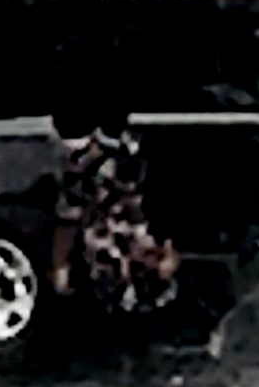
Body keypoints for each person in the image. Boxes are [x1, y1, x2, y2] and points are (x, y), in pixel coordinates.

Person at [52, 92, 172, 371]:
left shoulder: (88, 163)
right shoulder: (113, 163)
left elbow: (68, 221)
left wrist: (61, 264)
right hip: (115, 236)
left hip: (117, 233)